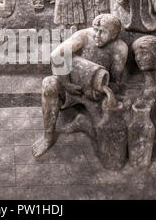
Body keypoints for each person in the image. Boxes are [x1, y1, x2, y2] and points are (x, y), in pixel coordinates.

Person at [32, 14, 128, 157]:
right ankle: (48, 136)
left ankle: (83, 122)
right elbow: (56, 55)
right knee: (49, 84)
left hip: (95, 92)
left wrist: (103, 89)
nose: (97, 35)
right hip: (71, 86)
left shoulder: (119, 48)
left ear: (113, 35)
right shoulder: (83, 36)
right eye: (96, 30)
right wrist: (65, 83)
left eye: (103, 32)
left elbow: (115, 82)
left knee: (103, 140)